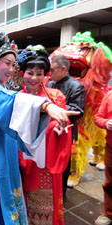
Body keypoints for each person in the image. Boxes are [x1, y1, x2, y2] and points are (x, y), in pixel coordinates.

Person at [0, 32, 79, 225]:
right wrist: (46, 106)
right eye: (7, 62)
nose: (10, 69)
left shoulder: (1, 87)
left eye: (13, 64)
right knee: (0, 204)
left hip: (8, 156)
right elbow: (13, 103)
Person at [17, 45, 72, 225]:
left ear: (45, 74)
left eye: (39, 73)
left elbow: (63, 124)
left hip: (48, 161)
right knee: (23, 205)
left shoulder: (57, 97)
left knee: (47, 208)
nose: (34, 78)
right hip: (24, 161)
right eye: (30, 72)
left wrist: (59, 130)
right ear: (22, 73)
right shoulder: (16, 98)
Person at [47, 54, 85, 196]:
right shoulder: (50, 84)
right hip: (49, 131)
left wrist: (54, 109)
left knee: (62, 166)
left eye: (52, 70)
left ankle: (60, 197)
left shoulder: (76, 86)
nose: (50, 74)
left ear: (63, 69)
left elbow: (78, 110)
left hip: (66, 132)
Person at [94, 89, 112, 225]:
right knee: (110, 182)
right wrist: (106, 123)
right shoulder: (110, 95)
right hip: (111, 146)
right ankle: (109, 213)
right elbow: (98, 117)